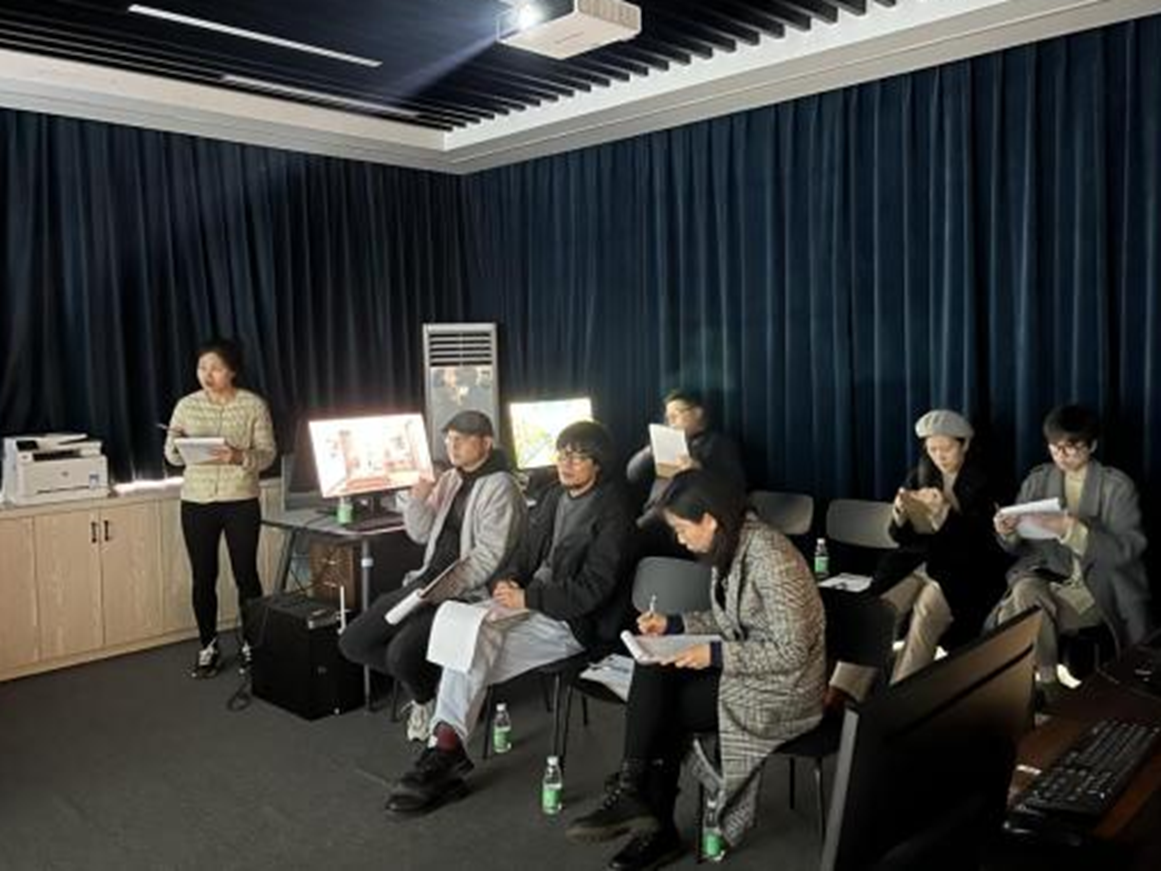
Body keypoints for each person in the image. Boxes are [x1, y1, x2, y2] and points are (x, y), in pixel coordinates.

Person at [566, 470, 825, 870]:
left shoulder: (773, 558)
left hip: (786, 688)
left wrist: (715, 655)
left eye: (682, 529)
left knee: (665, 709)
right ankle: (634, 790)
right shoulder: (731, 545)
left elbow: (792, 652)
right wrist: (672, 625)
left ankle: (650, 819)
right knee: (654, 664)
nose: (680, 539)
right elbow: (727, 621)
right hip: (749, 669)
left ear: (710, 519)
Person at [385, 421, 635, 815]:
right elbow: (525, 552)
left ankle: (444, 751)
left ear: (599, 463)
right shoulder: (555, 496)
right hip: (527, 605)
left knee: (467, 649)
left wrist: (529, 597)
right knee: (458, 626)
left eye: (577, 457)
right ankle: (444, 748)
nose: (565, 463)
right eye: (561, 454)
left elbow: (594, 589)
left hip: (571, 622)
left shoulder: (614, 511)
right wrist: (509, 579)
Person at [338, 410, 526, 740]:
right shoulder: (452, 479)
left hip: (466, 594)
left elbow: (488, 558)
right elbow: (421, 533)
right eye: (449, 439)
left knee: (400, 654)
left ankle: (425, 699)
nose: (452, 446)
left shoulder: (501, 487)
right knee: (353, 641)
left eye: (461, 439)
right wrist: (418, 499)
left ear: (486, 443)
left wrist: (442, 590)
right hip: (426, 583)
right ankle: (437, 687)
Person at [829, 410, 1007, 706]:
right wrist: (900, 515)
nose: (939, 456)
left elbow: (986, 547)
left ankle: (899, 702)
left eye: (946, 448)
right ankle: (840, 693)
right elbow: (900, 538)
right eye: (932, 449)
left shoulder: (988, 481)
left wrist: (946, 517)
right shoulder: (922, 473)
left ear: (964, 444)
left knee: (927, 610)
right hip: (917, 562)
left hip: (963, 570)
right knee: (881, 607)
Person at [990, 405, 1152, 704]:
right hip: (1050, 578)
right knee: (1025, 591)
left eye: (1071, 448)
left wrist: (1071, 530)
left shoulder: (1116, 486)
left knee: (1012, 616)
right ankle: (1049, 687)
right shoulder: (1038, 480)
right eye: (1054, 448)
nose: (1061, 456)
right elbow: (1017, 548)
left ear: (1092, 446)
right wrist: (1007, 531)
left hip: (1099, 586)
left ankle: (1024, 695)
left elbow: (1128, 549)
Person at [164, 338, 276, 679]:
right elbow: (171, 456)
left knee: (246, 575)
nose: (207, 375)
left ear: (232, 371)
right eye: (202, 368)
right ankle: (208, 646)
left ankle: (253, 646)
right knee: (203, 577)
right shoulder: (186, 406)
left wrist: (238, 456)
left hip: (240, 500)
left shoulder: (253, 405)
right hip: (197, 502)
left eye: (215, 368)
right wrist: (180, 444)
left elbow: (268, 454)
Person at [626, 389, 745, 555]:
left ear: (697, 413)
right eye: (668, 417)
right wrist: (650, 450)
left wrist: (699, 470)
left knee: (628, 541)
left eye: (676, 414)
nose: (671, 421)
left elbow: (735, 488)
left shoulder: (718, 444)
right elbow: (632, 475)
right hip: (656, 512)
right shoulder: (666, 443)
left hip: (685, 517)